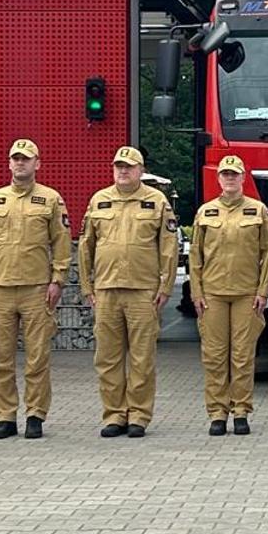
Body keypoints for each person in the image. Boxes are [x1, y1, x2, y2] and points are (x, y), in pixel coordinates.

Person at [77, 146, 180, 439]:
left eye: (129, 167)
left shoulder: (156, 201)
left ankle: (138, 415)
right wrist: (87, 286)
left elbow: (168, 247)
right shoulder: (99, 200)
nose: (123, 171)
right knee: (107, 358)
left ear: (141, 170)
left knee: (141, 358)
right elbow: (86, 246)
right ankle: (114, 415)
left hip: (143, 291)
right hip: (106, 290)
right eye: (119, 166)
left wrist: (165, 286)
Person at [0, 138, 72, 440]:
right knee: (0, 358)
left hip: (36, 289)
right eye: (15, 158)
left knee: (37, 358)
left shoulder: (51, 199)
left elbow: (62, 243)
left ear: (37, 164)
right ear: (9, 163)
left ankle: (35, 415)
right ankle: (5, 417)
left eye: (26, 159)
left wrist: (58, 279)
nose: (20, 163)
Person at [189, 155, 268, 437]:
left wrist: (263, 291)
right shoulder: (206, 212)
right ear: (218, 178)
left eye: (234, 174)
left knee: (242, 356)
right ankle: (217, 413)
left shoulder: (258, 211)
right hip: (212, 295)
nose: (229, 178)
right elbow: (195, 257)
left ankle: (241, 412)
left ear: (243, 178)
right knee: (214, 357)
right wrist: (196, 292)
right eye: (225, 174)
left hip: (246, 294)